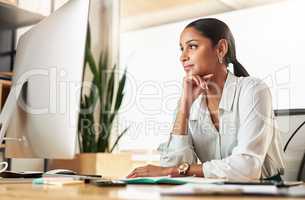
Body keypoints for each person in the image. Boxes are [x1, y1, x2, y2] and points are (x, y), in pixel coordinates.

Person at [127, 18, 285, 181]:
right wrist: (184, 108)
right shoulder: (189, 102)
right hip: (213, 191)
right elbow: (173, 170)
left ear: (221, 48)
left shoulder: (253, 90)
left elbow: (247, 168)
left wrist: (177, 170)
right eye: (182, 49)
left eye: (192, 46)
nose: (182, 57)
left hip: (265, 191)